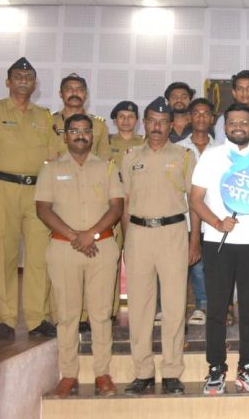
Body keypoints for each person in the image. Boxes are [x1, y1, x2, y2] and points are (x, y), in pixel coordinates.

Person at [189, 103, 249, 394]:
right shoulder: (211, 157)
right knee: (217, 309)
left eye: (244, 122)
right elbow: (195, 199)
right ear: (224, 126)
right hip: (218, 244)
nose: (238, 126)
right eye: (232, 122)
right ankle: (216, 368)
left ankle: (247, 368)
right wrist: (217, 222)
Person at [35, 114, 124, 398]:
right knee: (67, 315)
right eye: (74, 131)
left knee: (101, 314)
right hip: (64, 249)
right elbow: (43, 209)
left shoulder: (108, 167)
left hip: (102, 247)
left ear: (92, 136)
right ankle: (68, 375)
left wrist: (91, 234)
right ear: (65, 136)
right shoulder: (51, 168)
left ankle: (102, 374)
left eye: (85, 130)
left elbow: (116, 207)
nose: (80, 135)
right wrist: (77, 237)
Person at [0, 57, 57, 342]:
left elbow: (54, 158)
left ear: (35, 84)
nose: (23, 80)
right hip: (0, 189)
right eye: (18, 76)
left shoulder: (44, 116)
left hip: (36, 193)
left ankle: (37, 318)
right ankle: (5, 320)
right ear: (8, 82)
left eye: (28, 77)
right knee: (1, 256)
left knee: (39, 258)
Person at [121, 97, 198, 395]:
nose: (157, 126)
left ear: (171, 125)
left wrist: (194, 240)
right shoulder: (129, 157)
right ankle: (142, 372)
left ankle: (171, 372)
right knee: (139, 307)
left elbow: (195, 202)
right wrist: (127, 241)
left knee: (174, 306)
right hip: (138, 234)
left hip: (173, 233)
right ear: (144, 123)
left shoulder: (184, 156)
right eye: (152, 120)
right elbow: (126, 202)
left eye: (163, 122)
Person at [177, 97, 217, 326]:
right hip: (183, 218)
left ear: (212, 119)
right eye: (196, 113)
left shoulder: (221, 150)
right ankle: (172, 309)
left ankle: (203, 307)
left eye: (206, 113)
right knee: (181, 266)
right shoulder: (178, 149)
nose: (201, 117)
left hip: (213, 221)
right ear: (189, 118)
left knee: (206, 268)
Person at [107, 100, 144, 320]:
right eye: (121, 117)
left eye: (130, 117)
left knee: (137, 258)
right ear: (115, 120)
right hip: (111, 206)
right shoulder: (106, 143)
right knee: (110, 258)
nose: (126, 121)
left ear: (137, 121)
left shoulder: (145, 143)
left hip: (136, 207)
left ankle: (139, 306)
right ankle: (110, 308)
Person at [50, 73, 111, 160]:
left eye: (80, 90)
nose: (75, 93)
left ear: (86, 94)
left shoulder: (99, 125)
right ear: (60, 94)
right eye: (69, 89)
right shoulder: (49, 122)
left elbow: (105, 158)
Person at [214, 70, 249, 145]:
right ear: (234, 93)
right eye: (240, 88)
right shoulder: (223, 120)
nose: (245, 92)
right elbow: (220, 147)